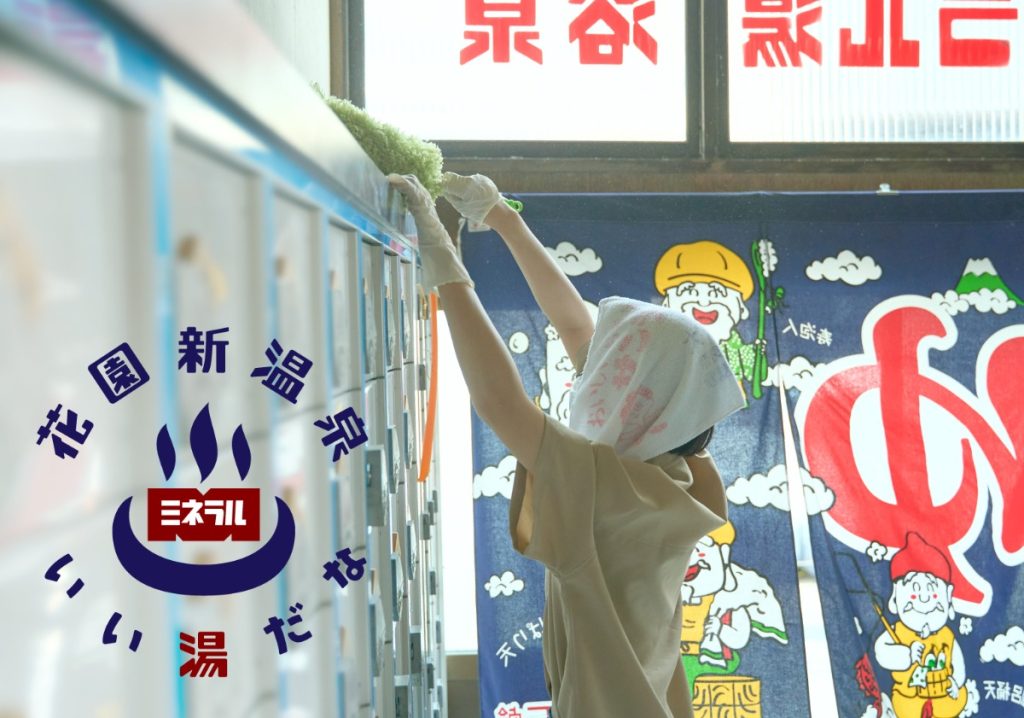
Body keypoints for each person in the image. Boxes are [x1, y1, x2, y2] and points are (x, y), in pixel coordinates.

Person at [388, 171, 746, 718]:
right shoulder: (675, 467)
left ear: (627, 398)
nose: (586, 373)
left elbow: (501, 402)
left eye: (603, 369)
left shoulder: (606, 488)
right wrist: (501, 217)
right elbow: (579, 332)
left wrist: (445, 261)